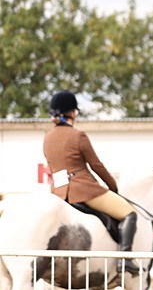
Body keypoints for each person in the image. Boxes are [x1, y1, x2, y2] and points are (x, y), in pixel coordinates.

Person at [43, 90, 140, 274]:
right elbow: (96, 165)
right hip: (84, 191)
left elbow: (52, 168)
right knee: (129, 214)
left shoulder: (47, 138)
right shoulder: (78, 136)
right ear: (73, 113)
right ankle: (125, 260)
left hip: (59, 192)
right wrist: (112, 187)